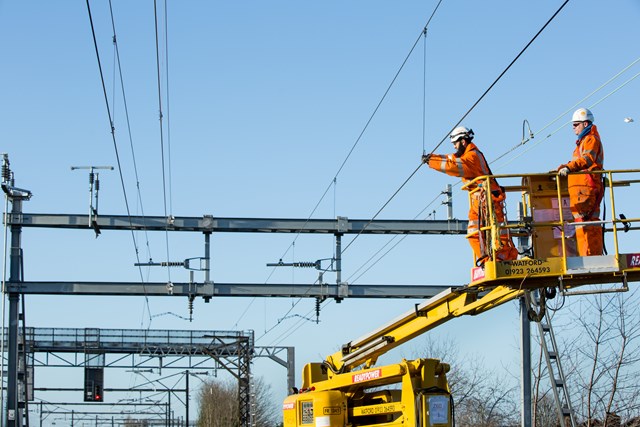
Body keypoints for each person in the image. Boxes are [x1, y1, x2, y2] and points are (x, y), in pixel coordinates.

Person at [422, 126, 518, 265]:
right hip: (479, 201)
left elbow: (453, 166)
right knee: (474, 233)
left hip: (488, 199)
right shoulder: (466, 154)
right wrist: (432, 158)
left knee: (498, 233)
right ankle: (487, 261)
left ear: (463, 141)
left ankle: (503, 261)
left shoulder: (472, 156)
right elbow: (450, 158)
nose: (454, 146)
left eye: (455, 143)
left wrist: (431, 162)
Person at [556, 107, 604, 256]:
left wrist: (569, 168)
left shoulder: (591, 139)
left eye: (576, 124)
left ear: (585, 123)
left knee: (587, 222)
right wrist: (565, 167)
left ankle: (591, 255)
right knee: (583, 222)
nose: (573, 127)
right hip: (583, 189)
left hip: (587, 187)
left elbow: (587, 160)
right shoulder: (583, 141)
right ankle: (587, 254)